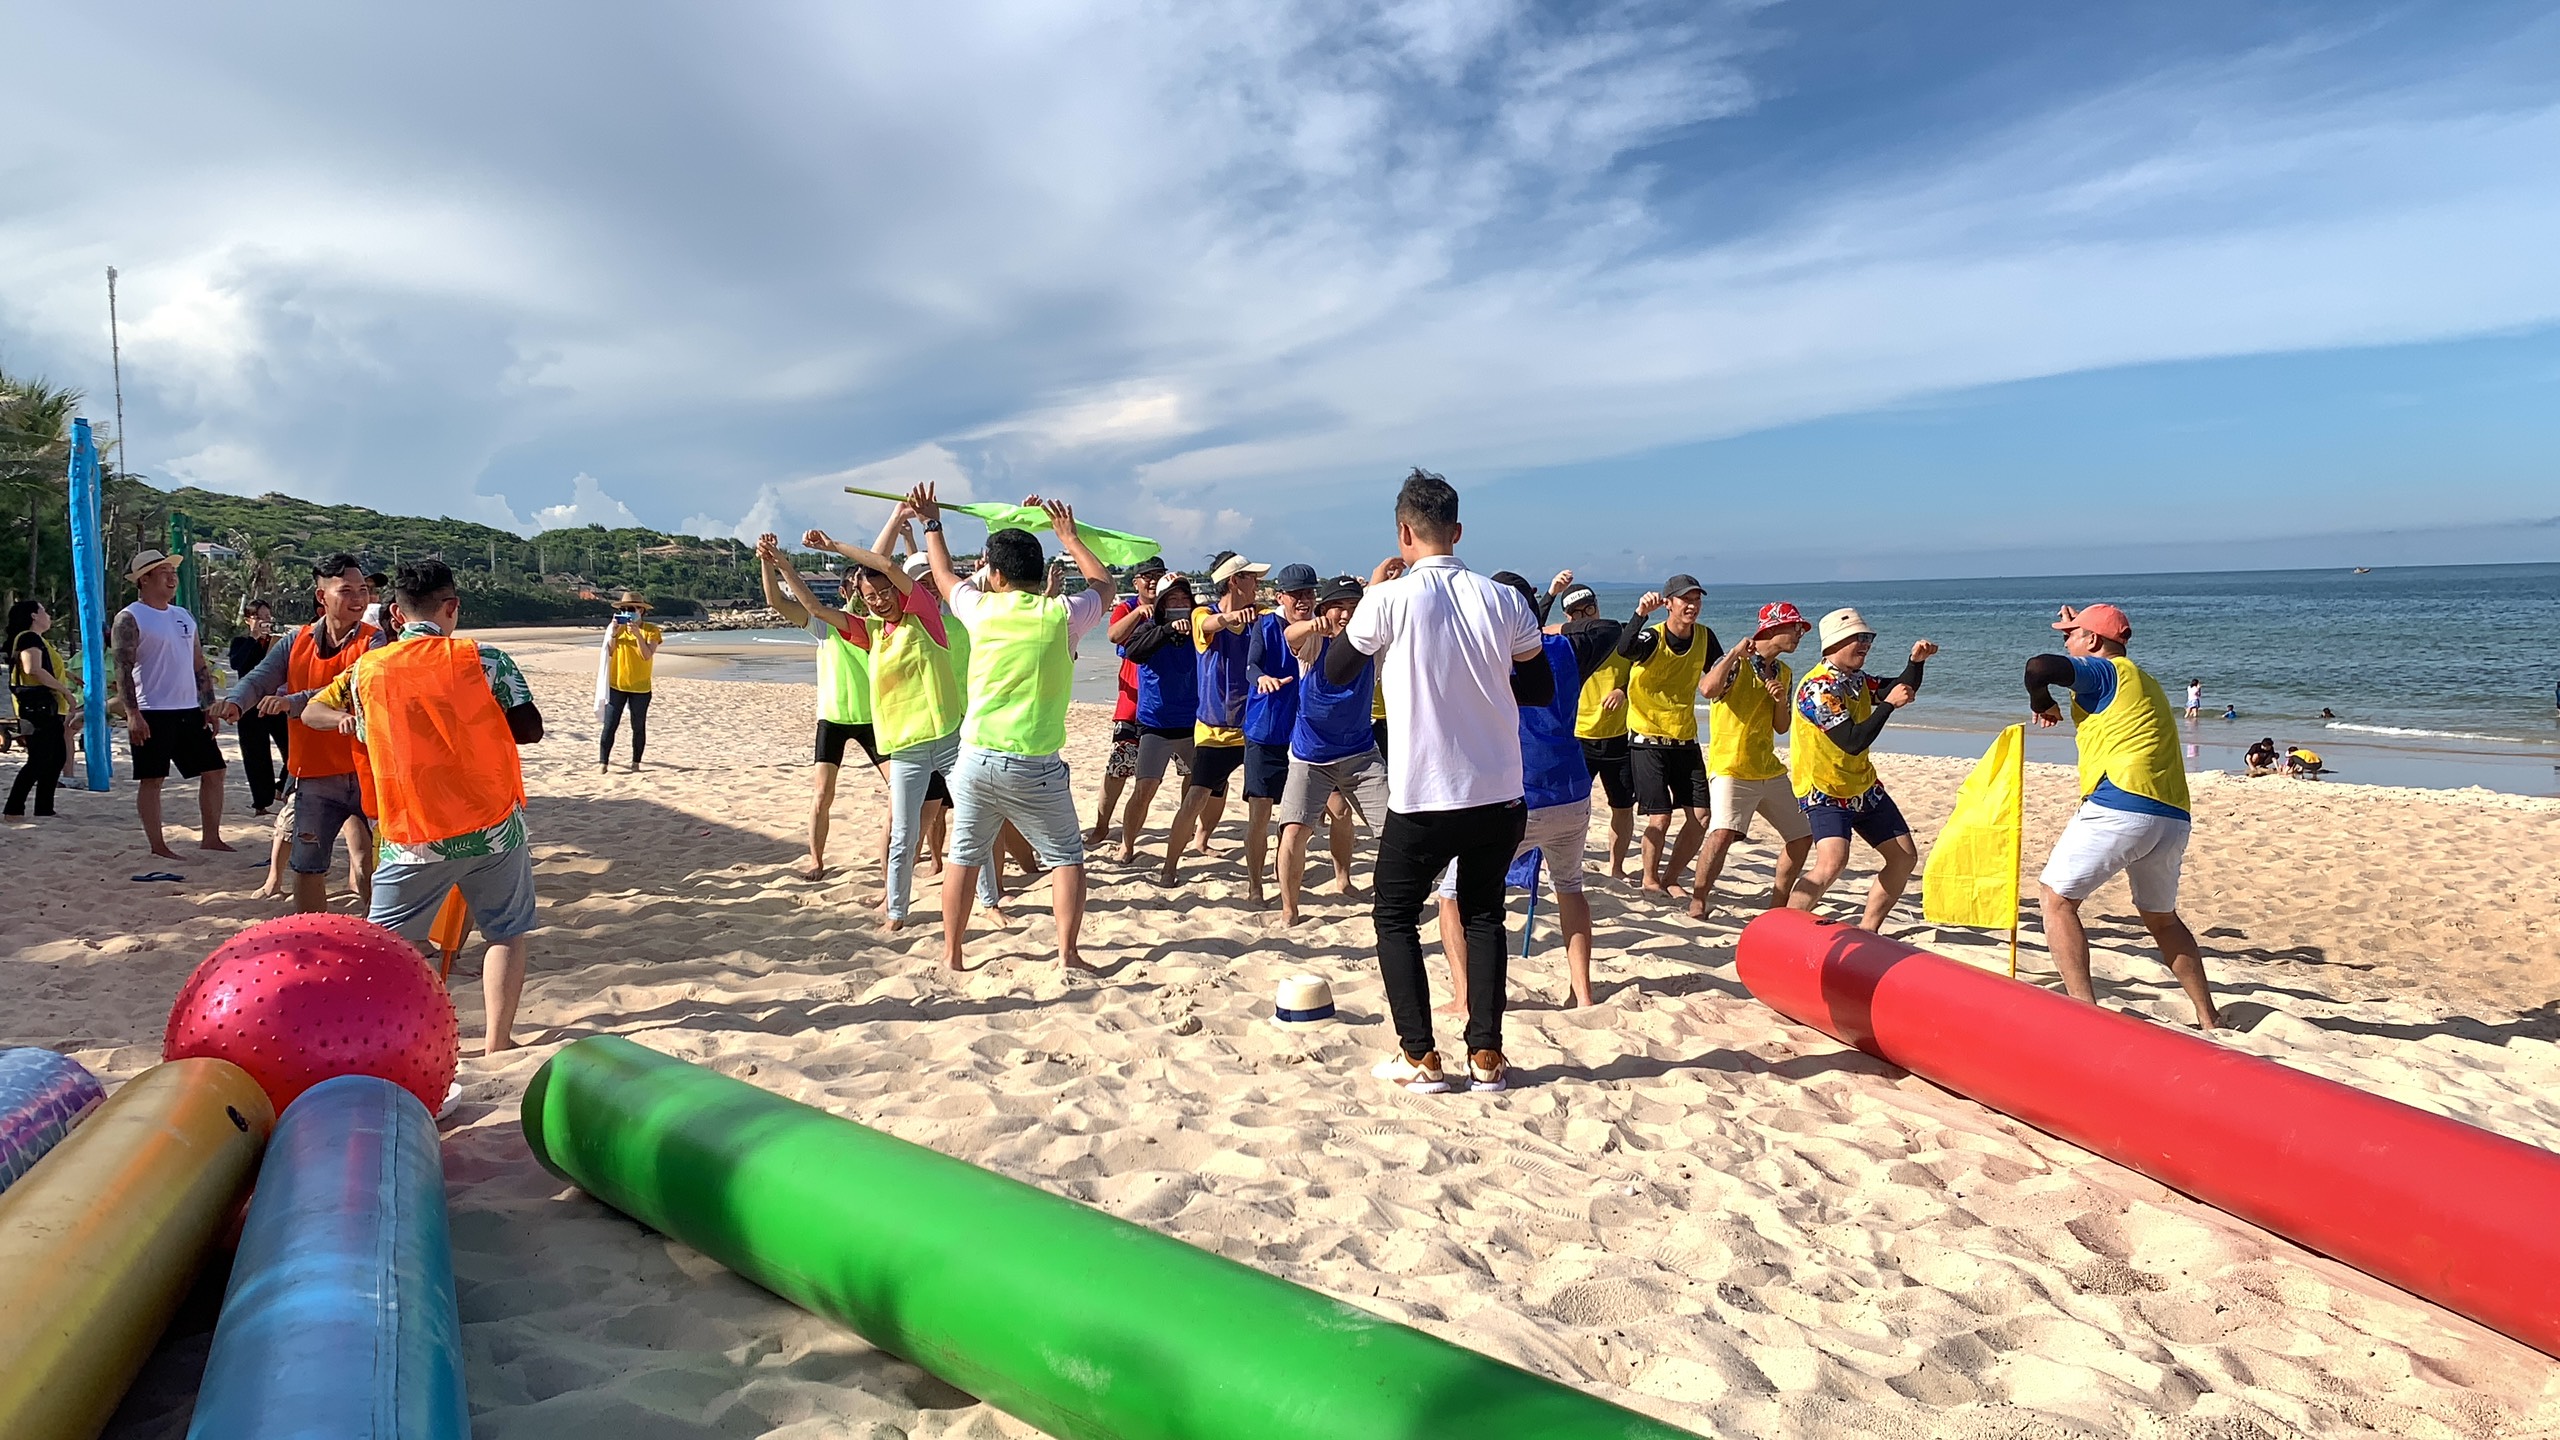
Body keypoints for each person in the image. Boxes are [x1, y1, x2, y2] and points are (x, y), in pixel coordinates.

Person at [1328, 469, 1549, 1094]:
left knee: (1395, 914)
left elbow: (1337, 672)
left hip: (1425, 792)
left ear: (1404, 533)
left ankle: (1421, 1055)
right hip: (1499, 789)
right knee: (1484, 914)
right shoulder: (1503, 599)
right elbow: (1538, 687)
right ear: (1457, 531)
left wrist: (1372, 595)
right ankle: (1486, 1056)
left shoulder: (1389, 599)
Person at [302, 560, 546, 1053]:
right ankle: (498, 1041)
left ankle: (396, 1043)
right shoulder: (485, 659)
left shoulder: (367, 670)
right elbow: (529, 730)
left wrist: (352, 722)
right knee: (505, 933)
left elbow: (311, 711)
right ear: (452, 607)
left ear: (396, 613)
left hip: (411, 831)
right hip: (493, 826)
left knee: (386, 948)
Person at [907, 482, 1114, 972]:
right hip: (1033, 764)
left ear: (995, 575)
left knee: (964, 856)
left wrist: (931, 522)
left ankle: (953, 954)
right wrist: (1069, 537)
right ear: (1039, 574)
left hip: (975, 758)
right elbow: (1103, 585)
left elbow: (943, 575)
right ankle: (1067, 954)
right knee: (1066, 857)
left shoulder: (980, 609)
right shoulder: (1060, 614)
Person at [1434, 572, 1623, 1010]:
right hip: (1572, 789)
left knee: (1452, 896)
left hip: (1519, 794)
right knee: (1570, 886)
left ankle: (1464, 998)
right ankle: (1582, 993)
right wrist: (1550, 626)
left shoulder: (1487, 654)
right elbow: (1608, 628)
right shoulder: (1564, 648)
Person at [792, 527, 997, 930]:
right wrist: (783, 564)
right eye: (871, 597)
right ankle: (896, 914)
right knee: (903, 835)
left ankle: (990, 903)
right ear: (863, 601)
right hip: (905, 750)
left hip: (949, 741)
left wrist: (834, 545)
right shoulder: (869, 633)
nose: (881, 601)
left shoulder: (925, 617)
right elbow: (814, 609)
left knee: (974, 821)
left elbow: (886, 564)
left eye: (885, 593)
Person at [2026, 603, 2219, 1029]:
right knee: (2162, 919)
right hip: (2172, 816)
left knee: (2056, 900)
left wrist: (2042, 700)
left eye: (2070, 635)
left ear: (2093, 640)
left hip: (2121, 804)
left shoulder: (2105, 671)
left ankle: (2083, 1011)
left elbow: (2039, 667)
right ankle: (2209, 1018)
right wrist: (2078, 622)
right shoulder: (2143, 680)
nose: (2066, 643)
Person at [222, 554, 383, 913]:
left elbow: (350, 687)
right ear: (321, 596)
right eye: (347, 591)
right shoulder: (296, 640)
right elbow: (260, 677)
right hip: (313, 773)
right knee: (308, 865)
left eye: (362, 590)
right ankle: (313, 932)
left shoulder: (376, 642)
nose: (358, 599)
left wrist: (290, 703)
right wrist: (236, 702)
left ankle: (379, 933)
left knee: (372, 863)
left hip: (366, 770)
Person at [1784, 607, 1936, 931]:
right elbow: (1852, 740)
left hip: (1862, 787)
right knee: (1832, 862)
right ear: (1834, 643)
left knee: (1904, 858)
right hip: (1824, 789)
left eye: (1868, 637)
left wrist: (1916, 663)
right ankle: (1787, 929)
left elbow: (1901, 688)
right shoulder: (1818, 688)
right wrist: (1888, 705)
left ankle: (1869, 930)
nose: (1866, 644)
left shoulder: (1856, 680)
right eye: (1859, 638)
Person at [759, 533, 880, 880]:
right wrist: (768, 562)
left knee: (905, 791)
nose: (862, 597)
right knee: (822, 793)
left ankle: (920, 856)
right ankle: (816, 859)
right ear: (845, 592)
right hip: (833, 719)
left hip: (874, 718)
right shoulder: (825, 625)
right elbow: (776, 601)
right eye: (856, 590)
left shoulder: (879, 627)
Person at [1689, 602, 1815, 919]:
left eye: (1800, 629)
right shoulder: (1736, 662)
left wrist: (1780, 701)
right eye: (1794, 628)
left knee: (1801, 837)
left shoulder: (1783, 672)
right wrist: (1733, 653)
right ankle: (1698, 900)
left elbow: (1781, 727)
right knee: (1722, 834)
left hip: (1768, 768)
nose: (1799, 634)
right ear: (1772, 628)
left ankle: (1777, 905)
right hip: (1730, 766)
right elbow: (1707, 689)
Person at [1152, 551, 1268, 887]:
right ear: (1234, 581)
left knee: (1258, 806)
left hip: (1254, 728)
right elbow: (1208, 625)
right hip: (1214, 731)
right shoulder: (1204, 613)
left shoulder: (1261, 616)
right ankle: (1169, 868)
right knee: (1196, 798)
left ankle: (1252, 881)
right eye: (1251, 577)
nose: (1257, 583)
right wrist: (1230, 618)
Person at [1274, 575, 1384, 927]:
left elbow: (1377, 600)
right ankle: (1290, 909)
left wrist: (1380, 574)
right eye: (1338, 607)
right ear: (1325, 610)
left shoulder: (1371, 646)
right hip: (1310, 756)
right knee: (1294, 832)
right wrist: (1311, 625)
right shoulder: (1314, 644)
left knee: (1395, 831)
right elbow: (1290, 636)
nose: (1346, 615)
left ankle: (1388, 900)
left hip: (1360, 754)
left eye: (1353, 607)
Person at [114, 548, 230, 860]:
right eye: (163, 572)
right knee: (153, 778)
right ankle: (158, 845)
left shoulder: (183, 616)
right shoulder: (130, 617)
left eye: (173, 572)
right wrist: (132, 714)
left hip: (188, 709)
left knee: (215, 770)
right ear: (144, 579)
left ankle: (211, 837)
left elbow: (198, 663)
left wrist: (208, 705)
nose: (171, 577)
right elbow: (122, 669)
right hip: (151, 710)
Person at [1615, 575, 1722, 897]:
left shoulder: (1704, 637)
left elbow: (1718, 675)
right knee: (1660, 818)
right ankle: (1650, 879)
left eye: (1697, 600)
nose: (1692, 606)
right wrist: (1640, 614)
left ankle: (1671, 878)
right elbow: (1625, 649)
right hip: (1647, 739)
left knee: (1701, 817)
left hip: (1685, 738)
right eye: (1685, 599)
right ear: (1668, 603)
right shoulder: (1652, 636)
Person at [1239, 563, 1318, 904]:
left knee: (1297, 817)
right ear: (1280, 596)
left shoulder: (1319, 628)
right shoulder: (1266, 625)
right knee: (1260, 813)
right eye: (1296, 594)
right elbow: (1251, 665)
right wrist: (1262, 678)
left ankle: (1283, 870)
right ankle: (1255, 886)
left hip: (1304, 735)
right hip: (1265, 731)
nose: (1304, 600)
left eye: (1309, 593)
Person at [1109, 572, 1199, 863]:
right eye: (1173, 598)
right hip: (1155, 725)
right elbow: (1133, 651)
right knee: (1145, 788)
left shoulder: (1198, 626)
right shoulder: (1148, 629)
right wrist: (1167, 630)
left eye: (1184, 598)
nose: (1180, 603)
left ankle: (1190, 837)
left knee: (1195, 785)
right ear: (1161, 603)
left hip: (1192, 723)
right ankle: (1127, 844)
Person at [1555, 584, 1635, 884]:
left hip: (1618, 737)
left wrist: (1623, 690)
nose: (1586, 615)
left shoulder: (1620, 637)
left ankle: (1616, 867)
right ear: (1568, 617)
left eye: (1589, 608)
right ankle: (1566, 864)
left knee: (1622, 806)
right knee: (1569, 808)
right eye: (1577, 613)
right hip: (1578, 737)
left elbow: (1645, 676)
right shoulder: (1566, 643)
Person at [1089, 557, 1167, 843]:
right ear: (1136, 582)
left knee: (1183, 771)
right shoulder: (1127, 608)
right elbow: (1113, 635)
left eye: (1158, 575)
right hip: (1132, 705)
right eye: (1147, 576)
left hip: (1169, 704)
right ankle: (1102, 826)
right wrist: (1139, 614)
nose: (1153, 581)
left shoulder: (1174, 608)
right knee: (1118, 769)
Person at [6, 600, 72, 819]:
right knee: (39, 759)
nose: (48, 615)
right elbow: (32, 668)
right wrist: (65, 691)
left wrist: (69, 676)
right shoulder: (29, 638)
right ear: (34, 616)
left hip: (47, 707)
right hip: (37, 709)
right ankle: (14, 809)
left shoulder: (38, 640)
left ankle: (44, 808)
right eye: (44, 611)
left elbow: (45, 666)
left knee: (56, 757)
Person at [227, 602, 291, 815]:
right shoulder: (241, 642)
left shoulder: (278, 643)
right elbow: (237, 664)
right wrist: (254, 638)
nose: (264, 620)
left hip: (275, 702)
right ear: (248, 620)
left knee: (292, 748)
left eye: (267, 616)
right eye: (258, 617)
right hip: (249, 705)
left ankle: (281, 787)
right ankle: (261, 802)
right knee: (255, 754)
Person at [598, 592, 662, 772]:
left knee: (638, 726)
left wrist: (638, 635)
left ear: (641, 610)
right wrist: (613, 634)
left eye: (631, 609)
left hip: (640, 687)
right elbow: (610, 652)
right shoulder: (617, 629)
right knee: (610, 725)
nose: (627, 612)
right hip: (617, 684)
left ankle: (636, 763)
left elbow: (647, 655)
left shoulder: (651, 630)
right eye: (624, 609)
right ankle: (603, 762)